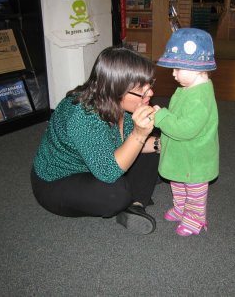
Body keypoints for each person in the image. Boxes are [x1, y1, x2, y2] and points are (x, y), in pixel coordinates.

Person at [30, 46, 161, 235]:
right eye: (142, 90)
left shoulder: (121, 105)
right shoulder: (83, 115)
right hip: (57, 182)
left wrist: (161, 145)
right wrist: (139, 135)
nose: (150, 94)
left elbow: (131, 144)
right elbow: (108, 172)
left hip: (100, 164)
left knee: (155, 136)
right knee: (116, 193)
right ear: (116, 91)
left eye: (149, 85)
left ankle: (137, 204)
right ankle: (130, 194)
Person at [153, 28, 219, 236]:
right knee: (177, 181)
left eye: (177, 68)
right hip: (182, 154)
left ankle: (195, 218)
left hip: (196, 157)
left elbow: (186, 129)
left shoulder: (200, 98)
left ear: (197, 68)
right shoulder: (186, 89)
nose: (173, 73)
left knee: (195, 189)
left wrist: (162, 118)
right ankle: (181, 208)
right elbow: (178, 117)